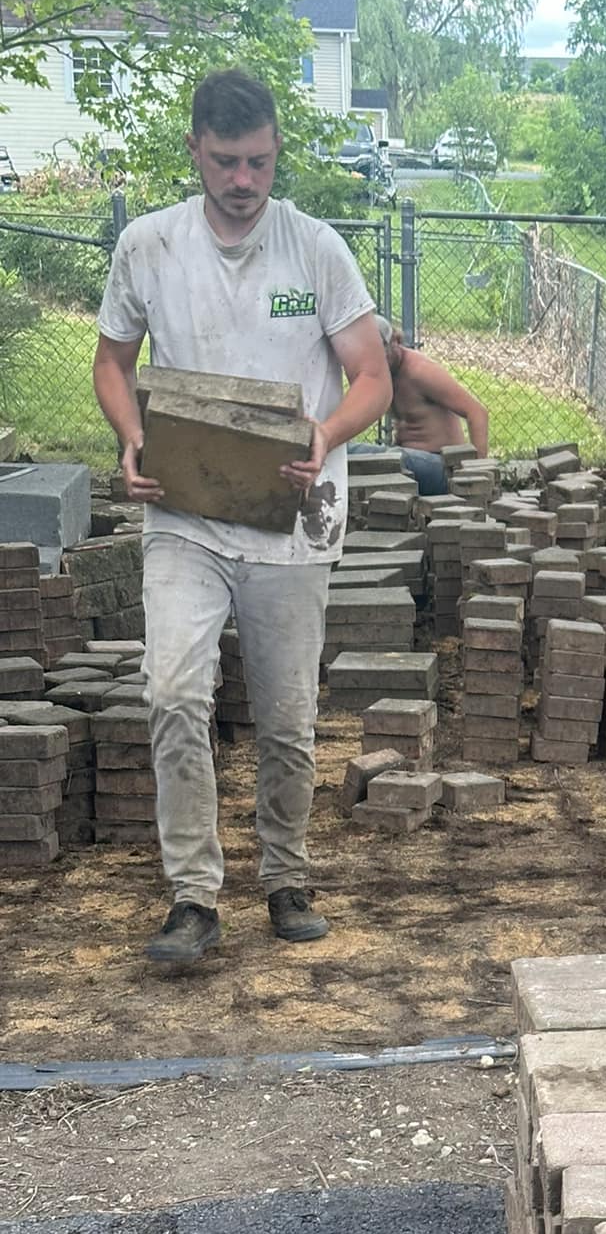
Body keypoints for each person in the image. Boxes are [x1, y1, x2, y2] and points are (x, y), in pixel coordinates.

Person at [94, 67, 392, 966]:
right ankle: (193, 898)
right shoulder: (149, 247)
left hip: (292, 514)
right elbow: (113, 362)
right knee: (174, 692)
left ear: (274, 154)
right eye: (225, 162)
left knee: (288, 712)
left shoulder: (315, 252)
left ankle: (285, 876)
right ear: (195, 151)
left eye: (258, 162)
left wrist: (325, 431)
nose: (243, 182)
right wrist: (131, 437)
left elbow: (372, 377)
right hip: (184, 514)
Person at [367, 318, 490, 494]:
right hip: (409, 462)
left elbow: (477, 412)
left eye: (382, 351)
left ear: (396, 341)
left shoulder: (420, 371)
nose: (379, 359)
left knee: (375, 456)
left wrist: (478, 475)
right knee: (349, 453)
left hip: (440, 465)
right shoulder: (382, 375)